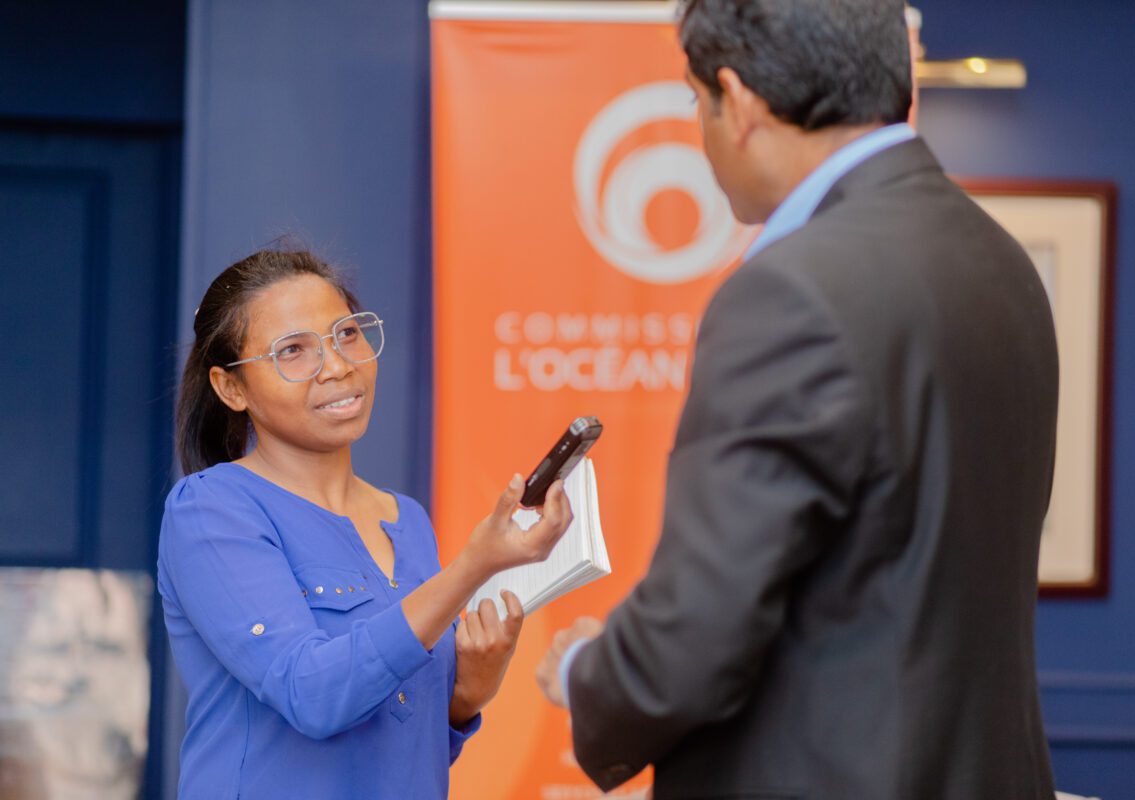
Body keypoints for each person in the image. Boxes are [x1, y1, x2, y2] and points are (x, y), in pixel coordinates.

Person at [535, 0, 1059, 798]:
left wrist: (584, 668)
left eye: (696, 101)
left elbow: (696, 639)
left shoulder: (789, 291)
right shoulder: (999, 259)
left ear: (740, 102)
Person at [159, 248, 572, 799]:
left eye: (347, 334)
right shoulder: (210, 510)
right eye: (293, 351)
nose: (336, 366)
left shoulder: (408, 519)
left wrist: (470, 692)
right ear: (231, 387)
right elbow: (312, 696)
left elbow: (405, 739)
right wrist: (473, 567)